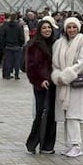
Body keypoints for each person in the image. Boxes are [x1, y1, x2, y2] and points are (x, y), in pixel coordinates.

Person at [51, 17, 83, 158]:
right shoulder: (59, 43)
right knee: (66, 114)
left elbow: (81, 62)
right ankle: (69, 144)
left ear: (78, 28)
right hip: (62, 82)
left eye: (74, 27)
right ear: (65, 28)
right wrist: (58, 76)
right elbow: (54, 63)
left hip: (75, 82)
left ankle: (76, 144)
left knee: (74, 114)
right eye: (69, 27)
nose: (72, 30)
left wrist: (66, 75)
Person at [25, 20, 57, 155]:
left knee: (51, 115)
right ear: (39, 30)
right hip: (41, 85)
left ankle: (47, 145)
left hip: (54, 83)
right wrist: (39, 80)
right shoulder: (33, 45)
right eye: (44, 28)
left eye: (49, 27)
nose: (47, 30)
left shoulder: (55, 43)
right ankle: (32, 143)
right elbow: (30, 67)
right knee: (41, 113)